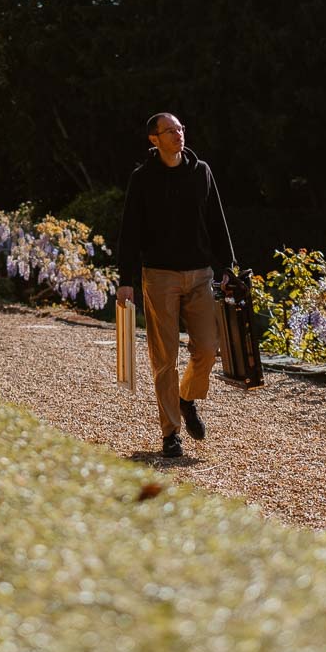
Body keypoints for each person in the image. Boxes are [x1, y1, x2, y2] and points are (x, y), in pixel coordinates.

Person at [116, 112, 237, 458]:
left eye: (181, 129)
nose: (178, 135)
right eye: (170, 131)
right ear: (154, 140)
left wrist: (226, 265)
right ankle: (170, 433)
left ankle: (186, 398)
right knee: (164, 356)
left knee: (206, 348)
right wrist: (126, 281)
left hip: (200, 273)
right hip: (159, 276)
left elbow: (216, 219)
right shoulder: (142, 179)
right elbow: (130, 233)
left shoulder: (201, 172)